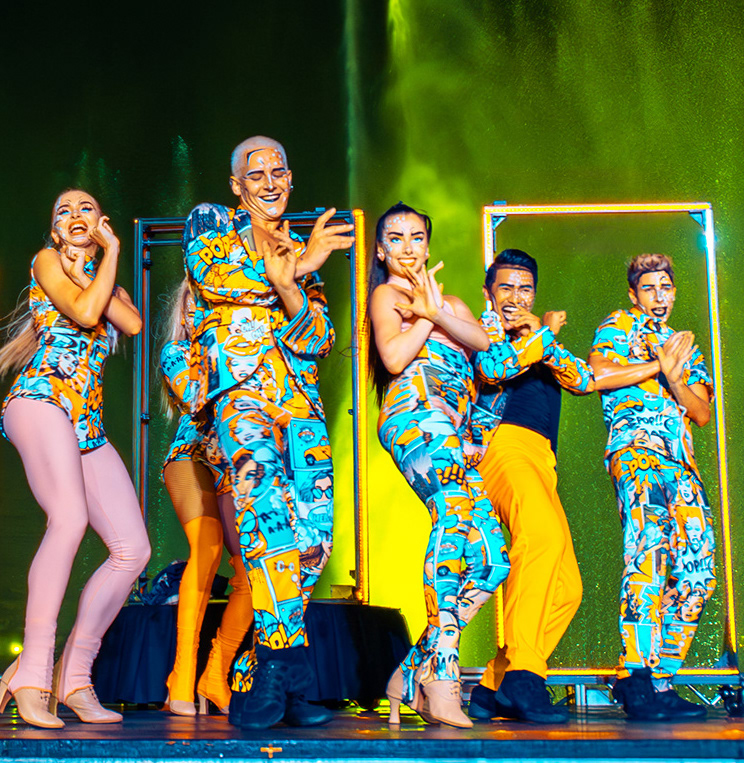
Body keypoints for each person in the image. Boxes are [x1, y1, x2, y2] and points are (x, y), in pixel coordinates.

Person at [182, 136, 353, 729]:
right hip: (242, 396)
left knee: (313, 542)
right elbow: (212, 278)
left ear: (291, 176)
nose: (270, 181)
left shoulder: (300, 249)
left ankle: (266, 677)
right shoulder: (211, 223)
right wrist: (295, 269)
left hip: (300, 407)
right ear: (237, 185)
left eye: (278, 170)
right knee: (267, 520)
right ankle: (288, 671)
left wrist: (290, 282)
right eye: (255, 174)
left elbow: (320, 339)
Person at [0, 189, 148, 727]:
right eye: (64, 210)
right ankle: (33, 671)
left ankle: (73, 676)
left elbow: (132, 324)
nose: (76, 215)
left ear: (101, 223)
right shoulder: (46, 261)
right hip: (39, 401)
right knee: (69, 519)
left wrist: (109, 255)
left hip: (86, 425)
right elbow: (84, 311)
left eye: (86, 208)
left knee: (134, 550)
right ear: (55, 231)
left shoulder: (106, 279)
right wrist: (85, 270)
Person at [368, 203, 509, 729]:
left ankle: (409, 675)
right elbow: (394, 358)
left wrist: (436, 309)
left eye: (416, 237)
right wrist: (425, 314)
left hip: (454, 431)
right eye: (396, 238)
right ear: (381, 250)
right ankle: (444, 680)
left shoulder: (451, 302)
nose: (408, 247)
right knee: (452, 523)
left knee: (494, 560)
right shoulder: (387, 296)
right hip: (413, 418)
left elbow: (487, 348)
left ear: (428, 246)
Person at [466, 249, 593, 723]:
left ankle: (493, 687)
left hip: (542, 458)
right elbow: (494, 370)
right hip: (503, 446)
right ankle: (524, 675)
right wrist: (544, 333)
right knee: (540, 539)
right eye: (506, 287)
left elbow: (583, 379)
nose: (515, 298)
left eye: (524, 289)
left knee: (567, 589)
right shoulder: (482, 332)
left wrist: (545, 337)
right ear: (489, 293)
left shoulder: (540, 339)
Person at [590, 253, 715, 721]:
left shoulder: (685, 346)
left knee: (699, 568)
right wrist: (655, 367)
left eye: (665, 287)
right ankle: (635, 673)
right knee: (649, 553)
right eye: (648, 288)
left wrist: (675, 376)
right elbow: (597, 374)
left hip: (682, 464)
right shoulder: (620, 324)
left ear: (675, 292)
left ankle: (659, 680)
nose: (658, 296)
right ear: (633, 294)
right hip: (636, 454)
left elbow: (701, 413)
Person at [159, 280, 252, 716]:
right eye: (196, 303)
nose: (204, 309)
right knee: (207, 549)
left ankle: (216, 673)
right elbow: (198, 399)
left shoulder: (248, 346)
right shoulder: (177, 352)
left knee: (255, 568)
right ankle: (181, 676)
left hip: (234, 464)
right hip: (191, 455)